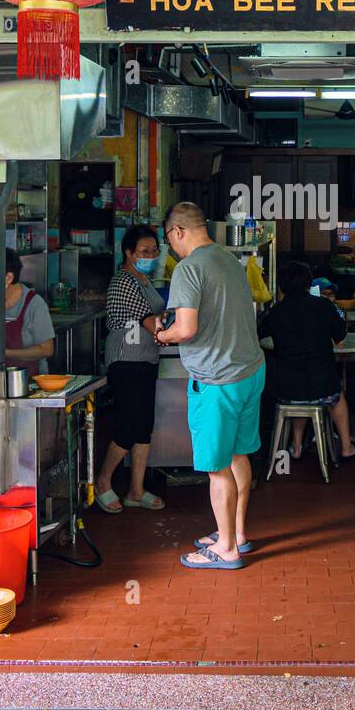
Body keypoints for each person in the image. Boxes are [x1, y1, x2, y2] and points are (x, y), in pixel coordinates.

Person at [154, 201, 265, 572]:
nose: (171, 247)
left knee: (217, 468)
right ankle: (237, 532)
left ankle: (226, 548)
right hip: (250, 370)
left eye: (169, 239)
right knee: (238, 456)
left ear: (177, 231)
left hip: (217, 380)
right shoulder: (227, 258)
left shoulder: (188, 268)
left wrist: (163, 335)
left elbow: (186, 328)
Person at [94, 225, 166, 514]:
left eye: (154, 251)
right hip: (126, 361)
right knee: (129, 425)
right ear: (128, 252)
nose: (150, 255)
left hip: (146, 359)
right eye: (144, 251)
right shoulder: (123, 281)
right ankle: (102, 481)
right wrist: (172, 331)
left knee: (144, 427)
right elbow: (150, 321)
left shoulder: (144, 279)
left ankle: (136, 490)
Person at [261, 261, 355, 462]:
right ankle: (346, 447)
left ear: (281, 286)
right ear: (309, 284)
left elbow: (262, 335)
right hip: (322, 384)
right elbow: (340, 335)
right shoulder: (324, 306)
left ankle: (296, 447)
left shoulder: (276, 312)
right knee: (337, 397)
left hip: (286, 387)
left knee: (299, 394)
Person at [4, 248, 55, 372]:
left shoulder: (34, 304)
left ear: (9, 278)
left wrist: (6, 353)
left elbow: (46, 349)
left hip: (31, 380)